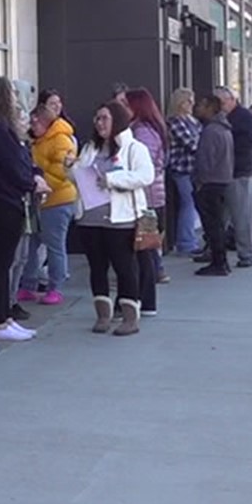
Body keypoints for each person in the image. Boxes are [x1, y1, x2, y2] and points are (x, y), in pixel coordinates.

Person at [76, 99, 155, 335]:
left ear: (117, 121)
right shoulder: (90, 147)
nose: (99, 123)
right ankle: (103, 315)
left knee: (124, 267)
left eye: (105, 118)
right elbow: (80, 175)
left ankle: (130, 317)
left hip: (121, 219)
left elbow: (145, 176)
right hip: (90, 217)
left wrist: (113, 180)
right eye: (97, 118)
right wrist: (71, 168)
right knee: (97, 267)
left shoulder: (134, 148)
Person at [0, 75, 42, 342]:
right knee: (2, 263)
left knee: (4, 262)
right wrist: (31, 182)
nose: (16, 98)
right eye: (12, 93)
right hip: (4, 201)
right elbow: (13, 164)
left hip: (4, 198)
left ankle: (5, 317)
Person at [18, 91, 77, 305]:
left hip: (58, 201)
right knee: (32, 245)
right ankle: (28, 285)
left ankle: (56, 287)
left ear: (44, 121)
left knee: (54, 245)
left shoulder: (61, 139)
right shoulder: (38, 140)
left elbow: (62, 171)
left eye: (35, 121)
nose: (31, 125)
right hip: (40, 200)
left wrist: (38, 182)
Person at [123, 88, 170, 313]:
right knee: (146, 250)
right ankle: (145, 300)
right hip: (150, 197)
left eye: (125, 104)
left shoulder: (143, 132)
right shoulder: (147, 129)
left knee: (145, 250)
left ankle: (146, 300)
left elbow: (145, 165)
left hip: (147, 200)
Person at [193, 95, 236, 277]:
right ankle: (221, 261)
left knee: (212, 225)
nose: (197, 108)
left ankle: (218, 262)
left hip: (210, 183)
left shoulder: (211, 131)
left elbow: (205, 160)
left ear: (210, 108)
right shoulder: (224, 129)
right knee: (217, 224)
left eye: (201, 105)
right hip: (222, 181)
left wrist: (199, 181)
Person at [218, 86, 252, 269]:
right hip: (219, 174)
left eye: (222, 102)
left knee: (241, 216)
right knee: (219, 217)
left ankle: (246, 253)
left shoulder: (245, 118)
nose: (219, 106)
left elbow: (249, 143)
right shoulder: (218, 118)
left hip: (239, 172)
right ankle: (215, 251)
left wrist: (226, 148)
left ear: (232, 99)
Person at [165, 89, 202, 256]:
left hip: (194, 169)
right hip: (182, 168)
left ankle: (189, 239)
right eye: (189, 101)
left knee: (192, 205)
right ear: (180, 103)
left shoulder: (192, 120)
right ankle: (186, 242)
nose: (192, 104)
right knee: (188, 204)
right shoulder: (175, 121)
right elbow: (192, 144)